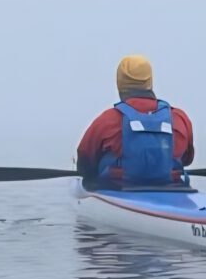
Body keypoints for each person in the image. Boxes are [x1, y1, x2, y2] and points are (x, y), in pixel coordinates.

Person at [76, 55, 195, 188]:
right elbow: (187, 160)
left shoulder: (107, 120)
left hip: (118, 189)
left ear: (119, 83)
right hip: (173, 190)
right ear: (150, 81)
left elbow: (84, 164)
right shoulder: (180, 118)